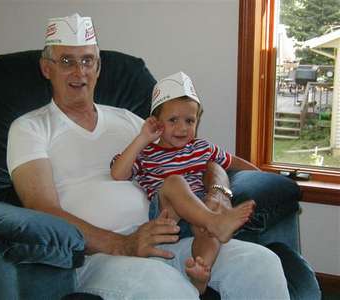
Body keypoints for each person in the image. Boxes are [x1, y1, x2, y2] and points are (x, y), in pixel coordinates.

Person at [7, 12, 290, 299]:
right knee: (166, 288)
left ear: (98, 66)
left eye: (87, 60)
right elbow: (41, 207)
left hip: (166, 236)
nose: (80, 72)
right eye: (67, 61)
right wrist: (123, 244)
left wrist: (218, 193)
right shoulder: (30, 127)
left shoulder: (131, 121)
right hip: (96, 256)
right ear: (46, 68)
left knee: (261, 263)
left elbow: (197, 156)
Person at [110, 71, 256, 294]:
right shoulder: (146, 152)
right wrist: (142, 138)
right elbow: (118, 174)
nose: (182, 128)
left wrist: (261, 174)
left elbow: (232, 161)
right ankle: (215, 221)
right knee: (175, 182)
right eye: (173, 120)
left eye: (190, 121)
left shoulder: (201, 148)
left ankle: (200, 272)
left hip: (198, 212)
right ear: (156, 122)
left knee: (208, 225)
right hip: (167, 212)